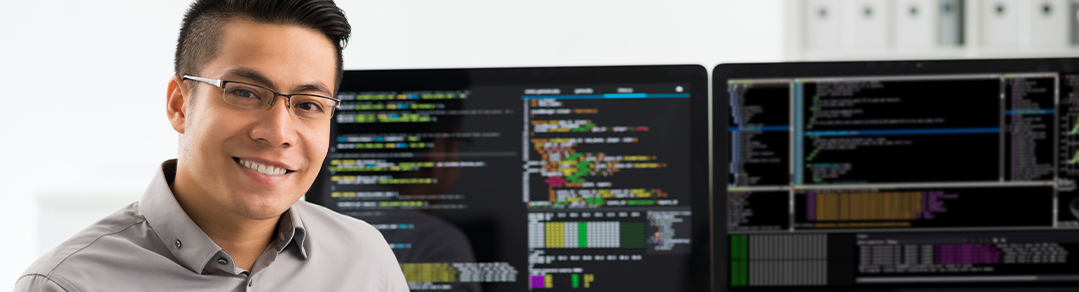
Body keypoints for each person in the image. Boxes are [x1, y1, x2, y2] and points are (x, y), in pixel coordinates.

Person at [14, 0, 408, 291]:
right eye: (244, 93)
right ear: (180, 104)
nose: (277, 132)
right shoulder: (66, 285)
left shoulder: (365, 260)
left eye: (307, 105)